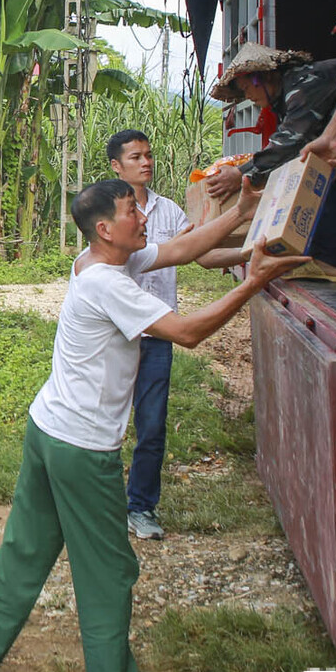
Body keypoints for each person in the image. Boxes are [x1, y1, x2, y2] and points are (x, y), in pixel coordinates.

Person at [0, 179, 298, 672]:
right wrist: (251, 284)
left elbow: (182, 248)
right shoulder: (109, 286)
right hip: (82, 448)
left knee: (25, 550)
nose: (143, 216)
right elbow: (185, 333)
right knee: (109, 568)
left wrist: (240, 214)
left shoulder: (99, 262)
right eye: (132, 210)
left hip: (48, 428)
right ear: (104, 228)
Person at [202, 43, 336, 272]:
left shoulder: (302, 85)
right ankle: (318, 257)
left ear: (262, 78)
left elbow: (288, 144)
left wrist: (240, 173)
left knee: (324, 182)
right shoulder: (285, 95)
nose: (248, 97)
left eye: (247, 88)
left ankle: (326, 261)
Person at [104, 129, 190, 542]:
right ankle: (102, 503)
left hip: (157, 335)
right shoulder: (107, 216)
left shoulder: (169, 212)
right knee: (107, 422)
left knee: (152, 424)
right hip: (119, 337)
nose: (146, 162)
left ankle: (140, 506)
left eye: (149, 155)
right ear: (116, 167)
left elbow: (195, 250)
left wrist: (248, 248)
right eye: (135, 157)